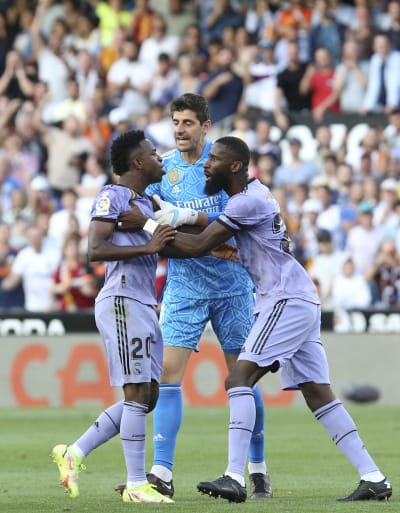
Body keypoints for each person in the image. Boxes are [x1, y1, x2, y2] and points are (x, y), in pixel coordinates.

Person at [128, 135, 392, 503]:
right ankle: (374, 478)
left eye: (215, 159)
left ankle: (236, 476)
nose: (207, 164)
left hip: (283, 299)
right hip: (299, 297)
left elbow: (198, 245)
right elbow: (229, 244)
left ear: (234, 166)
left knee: (239, 376)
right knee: (317, 393)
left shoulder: (246, 202)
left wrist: (147, 227)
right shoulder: (253, 196)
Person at [117, 93, 271, 500]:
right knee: (168, 376)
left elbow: (240, 220)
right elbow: (138, 207)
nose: (180, 130)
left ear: (206, 126)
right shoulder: (160, 168)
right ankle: (161, 472)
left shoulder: (220, 167)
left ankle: (257, 468)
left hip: (233, 285)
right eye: (175, 122)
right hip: (185, 283)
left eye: (188, 123)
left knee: (243, 377)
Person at [51, 130, 177, 504]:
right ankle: (137, 484)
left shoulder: (146, 204)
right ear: (137, 162)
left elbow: (164, 238)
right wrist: (150, 244)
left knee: (148, 396)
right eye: (153, 154)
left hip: (142, 302)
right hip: (122, 299)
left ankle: (73, 453)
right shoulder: (113, 195)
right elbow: (95, 248)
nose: (160, 158)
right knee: (137, 392)